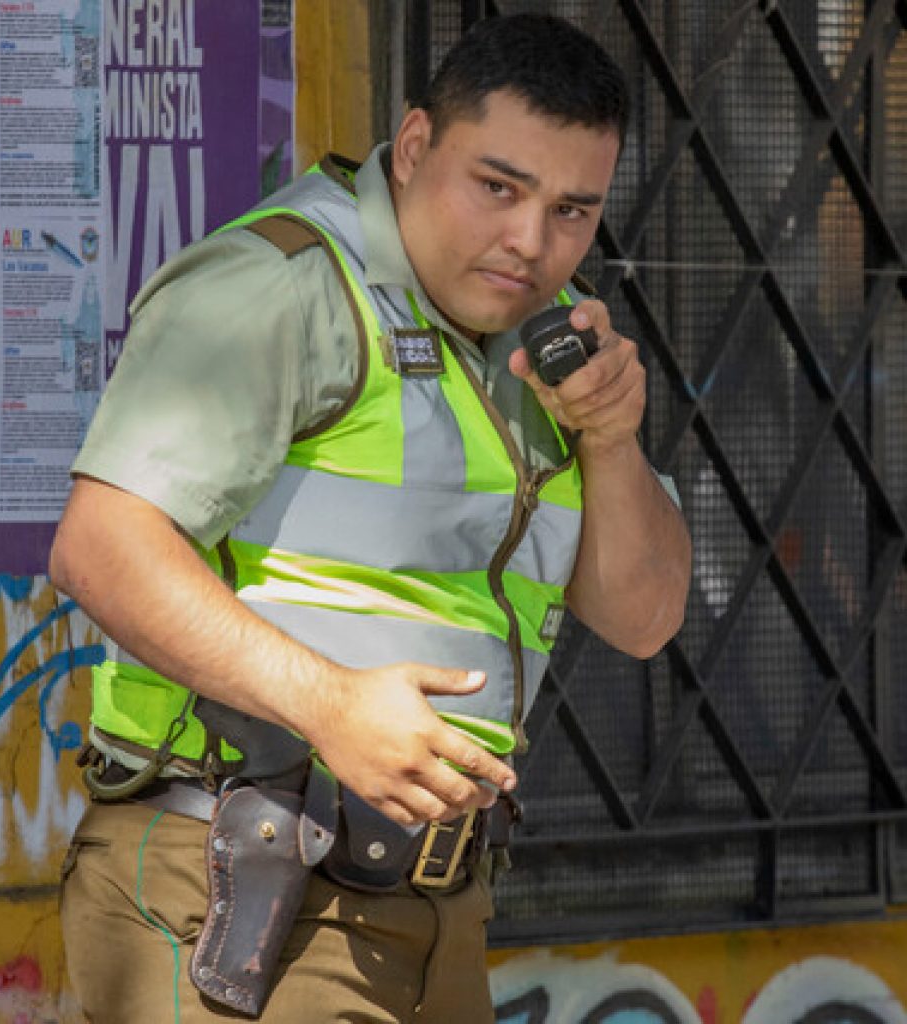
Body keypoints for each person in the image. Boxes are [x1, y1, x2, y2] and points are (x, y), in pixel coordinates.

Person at [51, 13, 691, 1024]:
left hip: (441, 903)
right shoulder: (280, 285)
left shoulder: (542, 338)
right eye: (499, 187)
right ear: (415, 145)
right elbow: (99, 546)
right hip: (240, 883)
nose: (532, 242)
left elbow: (646, 619)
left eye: (572, 210)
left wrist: (610, 439)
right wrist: (330, 706)